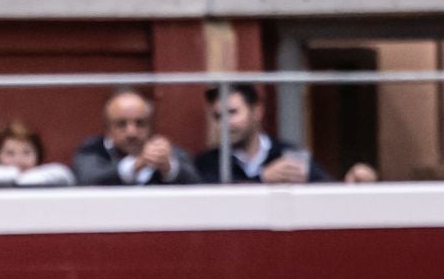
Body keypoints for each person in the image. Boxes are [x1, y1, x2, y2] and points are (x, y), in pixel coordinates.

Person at [196, 83, 375, 184]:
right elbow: (210, 201)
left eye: (232, 112)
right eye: (218, 116)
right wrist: (262, 179)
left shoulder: (288, 153)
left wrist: (352, 183)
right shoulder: (207, 162)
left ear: (257, 112)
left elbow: (324, 189)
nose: (225, 123)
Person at [71, 89, 199, 186]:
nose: (131, 132)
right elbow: (89, 179)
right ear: (108, 128)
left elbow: (197, 185)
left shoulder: (169, 153)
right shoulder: (92, 150)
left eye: (140, 123)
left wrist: (168, 168)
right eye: (121, 124)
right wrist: (135, 165)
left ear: (150, 126)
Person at [0, 120, 75, 188]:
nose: (19, 160)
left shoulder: (51, 176)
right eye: (10, 153)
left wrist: (24, 179)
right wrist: (12, 175)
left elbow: (65, 176)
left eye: (27, 152)